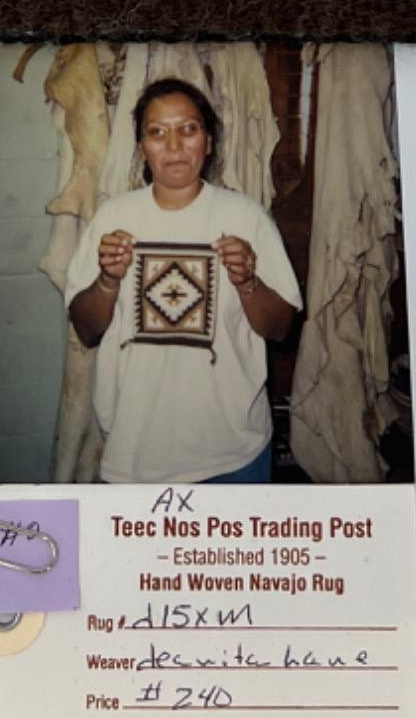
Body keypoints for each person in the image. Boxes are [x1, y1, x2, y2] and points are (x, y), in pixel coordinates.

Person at [65, 77, 302, 486]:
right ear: (142, 147)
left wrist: (247, 282)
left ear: (208, 142)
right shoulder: (113, 218)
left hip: (233, 452)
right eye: (157, 132)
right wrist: (107, 280)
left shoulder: (246, 217)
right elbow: (86, 330)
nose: (173, 145)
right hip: (135, 451)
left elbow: (281, 329)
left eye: (188, 129)